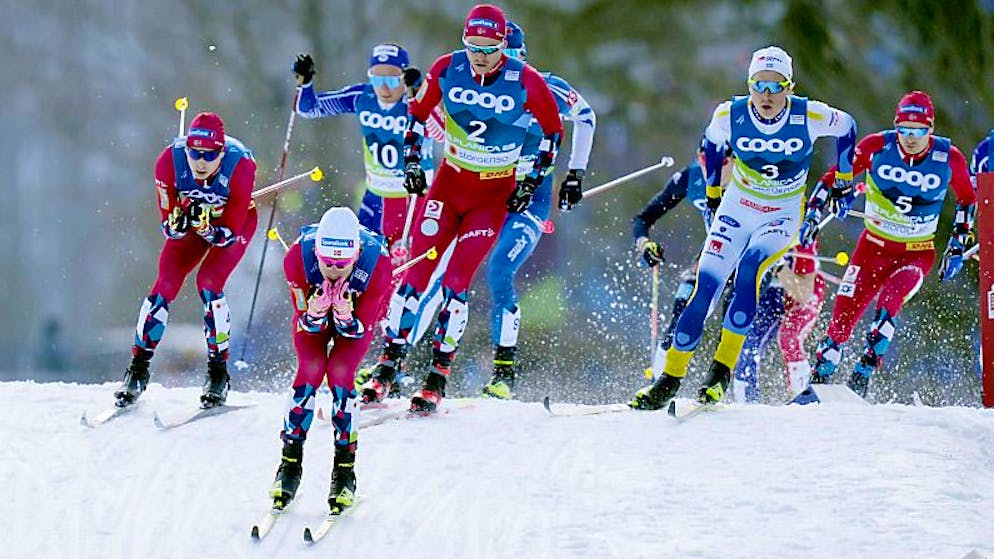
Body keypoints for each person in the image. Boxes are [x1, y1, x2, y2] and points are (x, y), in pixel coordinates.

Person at [361, 4, 564, 413]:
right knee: (414, 277)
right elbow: (416, 117)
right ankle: (387, 366)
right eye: (473, 47)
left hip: (491, 198)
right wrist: (414, 162)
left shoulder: (525, 80)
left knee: (456, 284)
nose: (480, 56)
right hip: (448, 187)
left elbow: (553, 131)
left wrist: (530, 181)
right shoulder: (446, 68)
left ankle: (437, 376)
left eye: (489, 49)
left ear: (503, 45)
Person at [630, 45, 857, 410]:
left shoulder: (808, 114)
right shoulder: (729, 114)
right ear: (749, 85)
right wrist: (715, 195)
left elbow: (847, 126)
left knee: (749, 269)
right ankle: (669, 380)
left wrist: (844, 179)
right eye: (759, 86)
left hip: (780, 214)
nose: (767, 96)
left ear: (790, 86)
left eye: (776, 86)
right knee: (705, 286)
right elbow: (711, 143)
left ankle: (719, 373)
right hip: (739, 205)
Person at [800, 90, 975, 397]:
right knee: (841, 321)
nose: (910, 137)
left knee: (889, 304)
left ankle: (863, 372)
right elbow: (833, 178)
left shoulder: (948, 157)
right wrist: (813, 215)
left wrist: (958, 245)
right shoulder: (877, 146)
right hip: (871, 249)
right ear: (896, 126)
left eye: (918, 130)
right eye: (904, 129)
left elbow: (968, 199)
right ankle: (819, 381)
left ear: (930, 128)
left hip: (915, 254)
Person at [115, 112, 257, 408]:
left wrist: (209, 228)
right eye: (195, 153)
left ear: (221, 152)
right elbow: (166, 220)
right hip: (194, 223)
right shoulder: (168, 161)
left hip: (233, 225)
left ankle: (218, 374)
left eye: (209, 155)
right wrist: (176, 225)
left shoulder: (240, 165)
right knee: (164, 284)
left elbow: (229, 230)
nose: (201, 162)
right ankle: (137, 369)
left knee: (208, 282)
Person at [269, 207, 393, 514]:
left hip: (353, 319)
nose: (334, 270)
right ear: (317, 252)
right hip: (315, 316)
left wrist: (344, 315)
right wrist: (314, 313)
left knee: (340, 374)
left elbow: (360, 330)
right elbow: (303, 323)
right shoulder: (297, 257)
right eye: (327, 262)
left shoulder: (378, 263)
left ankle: (345, 470)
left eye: (342, 264)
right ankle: (289, 464)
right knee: (310, 371)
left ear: (357, 254)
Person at [292, 44, 440, 257]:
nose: (384, 88)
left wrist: (419, 95)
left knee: (403, 265)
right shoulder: (362, 96)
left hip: (413, 197)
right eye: (377, 79)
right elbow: (309, 109)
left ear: (404, 77)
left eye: (391, 80)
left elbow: (442, 133)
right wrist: (305, 83)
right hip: (376, 194)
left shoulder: (415, 102)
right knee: (362, 258)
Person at [633, 145, 732, 380]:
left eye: (721, 162)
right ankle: (658, 381)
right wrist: (645, 244)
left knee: (733, 321)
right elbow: (643, 219)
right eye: (703, 159)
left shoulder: (748, 181)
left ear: (735, 161)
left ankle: (727, 386)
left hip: (747, 255)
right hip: (715, 251)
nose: (711, 167)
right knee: (682, 312)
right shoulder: (691, 177)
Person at [731, 243, 828, 402]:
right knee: (746, 343)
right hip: (771, 291)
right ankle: (745, 399)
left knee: (789, 336)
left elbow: (802, 294)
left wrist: (781, 267)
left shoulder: (802, 245)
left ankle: (802, 391)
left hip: (803, 290)